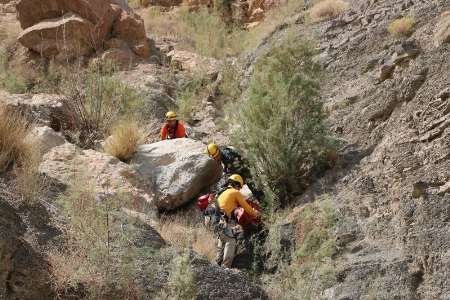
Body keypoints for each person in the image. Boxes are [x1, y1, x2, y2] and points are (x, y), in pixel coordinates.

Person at [214, 174, 259, 268]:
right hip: (224, 221)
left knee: (222, 242)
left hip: (217, 222)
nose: (239, 189)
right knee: (231, 241)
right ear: (237, 185)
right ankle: (225, 267)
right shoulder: (235, 192)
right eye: (239, 187)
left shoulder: (222, 193)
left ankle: (216, 266)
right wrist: (255, 214)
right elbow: (246, 207)